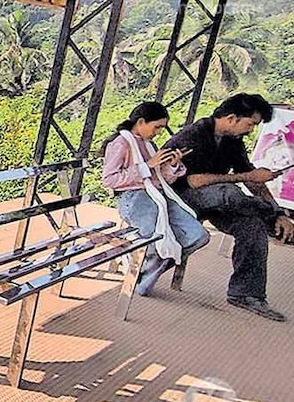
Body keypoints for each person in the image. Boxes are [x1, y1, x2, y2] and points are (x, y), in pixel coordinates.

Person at [164, 93, 294, 322]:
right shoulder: (193, 136)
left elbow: (253, 180)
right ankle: (271, 219)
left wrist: (278, 211)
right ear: (233, 118)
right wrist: (246, 176)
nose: (251, 130)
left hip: (216, 201)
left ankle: (245, 294)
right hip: (179, 200)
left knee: (251, 226)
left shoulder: (233, 141)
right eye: (251, 124)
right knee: (229, 192)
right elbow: (194, 181)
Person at [101, 102, 210, 296]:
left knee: (198, 235)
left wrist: (173, 165)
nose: (158, 132)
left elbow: (159, 179)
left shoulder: (149, 144)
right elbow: (109, 180)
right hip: (133, 198)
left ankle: (143, 268)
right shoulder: (121, 143)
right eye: (157, 126)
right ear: (141, 122)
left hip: (157, 196)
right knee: (158, 237)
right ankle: (139, 279)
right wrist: (147, 165)